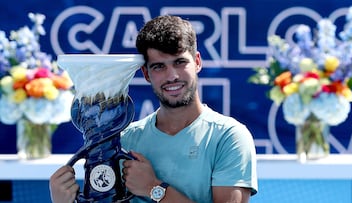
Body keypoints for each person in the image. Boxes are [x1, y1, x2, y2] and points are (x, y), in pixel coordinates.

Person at [49, 15, 258, 203]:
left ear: (197, 62)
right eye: (159, 66)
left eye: (179, 62)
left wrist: (154, 188)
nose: (172, 76)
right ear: (146, 74)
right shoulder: (125, 139)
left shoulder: (230, 136)